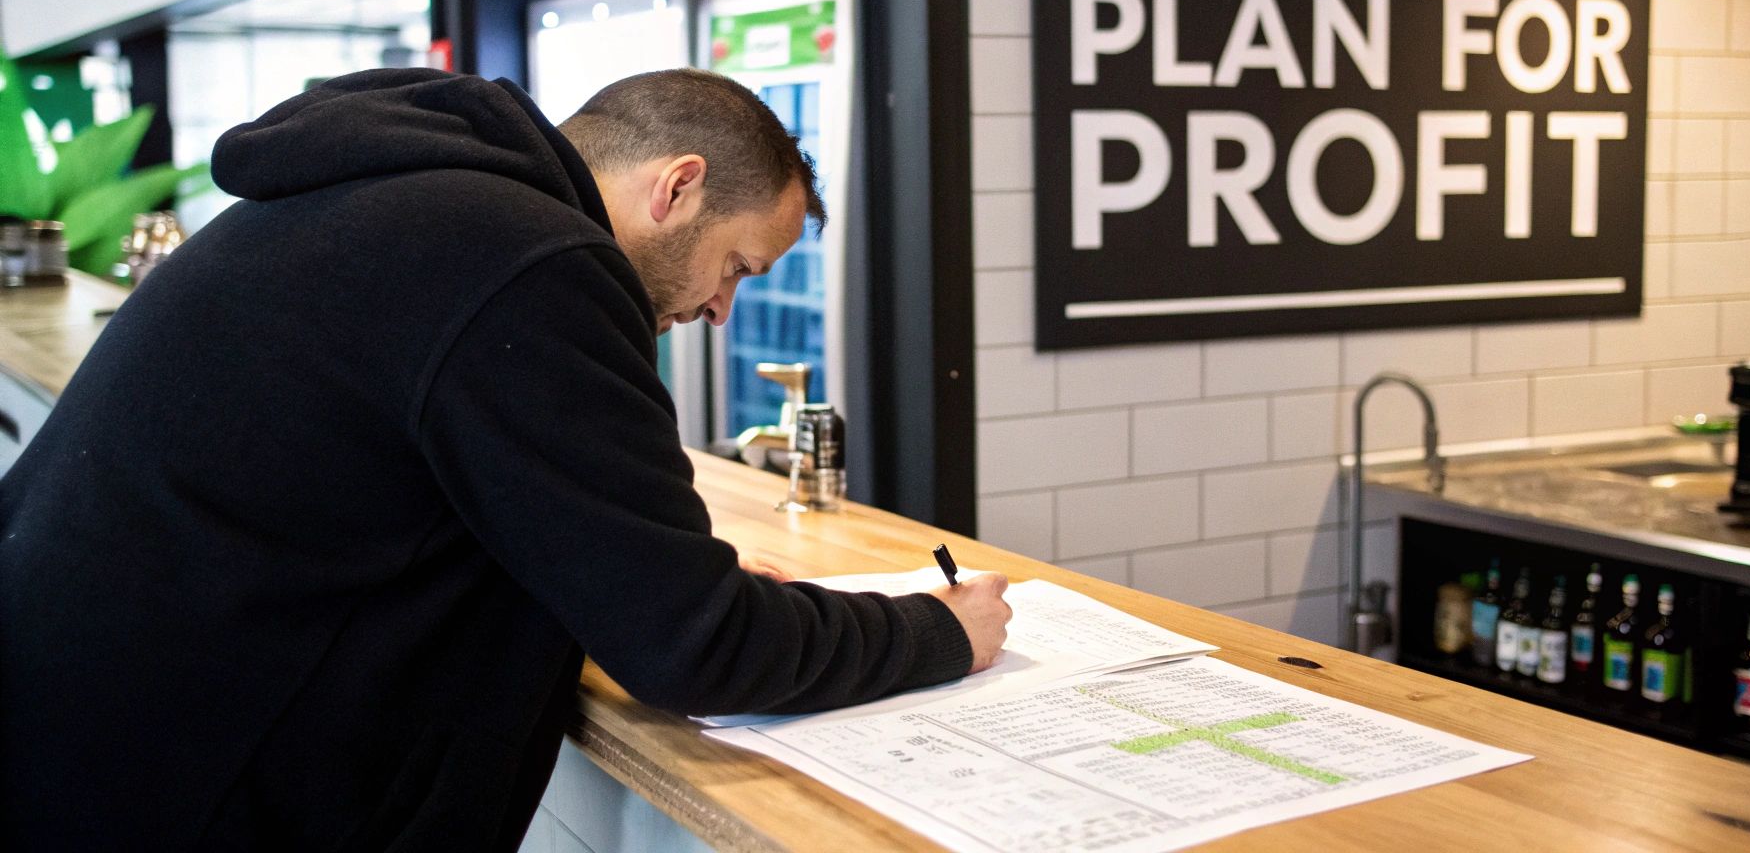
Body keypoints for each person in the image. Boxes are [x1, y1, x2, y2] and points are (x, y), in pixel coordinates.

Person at [0, 67, 1012, 851]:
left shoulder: (408, 196)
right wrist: (935, 631)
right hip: (170, 785)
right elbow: (693, 648)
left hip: (83, 736)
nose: (719, 310)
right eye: (735, 266)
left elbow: (419, 487)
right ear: (677, 186)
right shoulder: (529, 261)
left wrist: (634, 570)